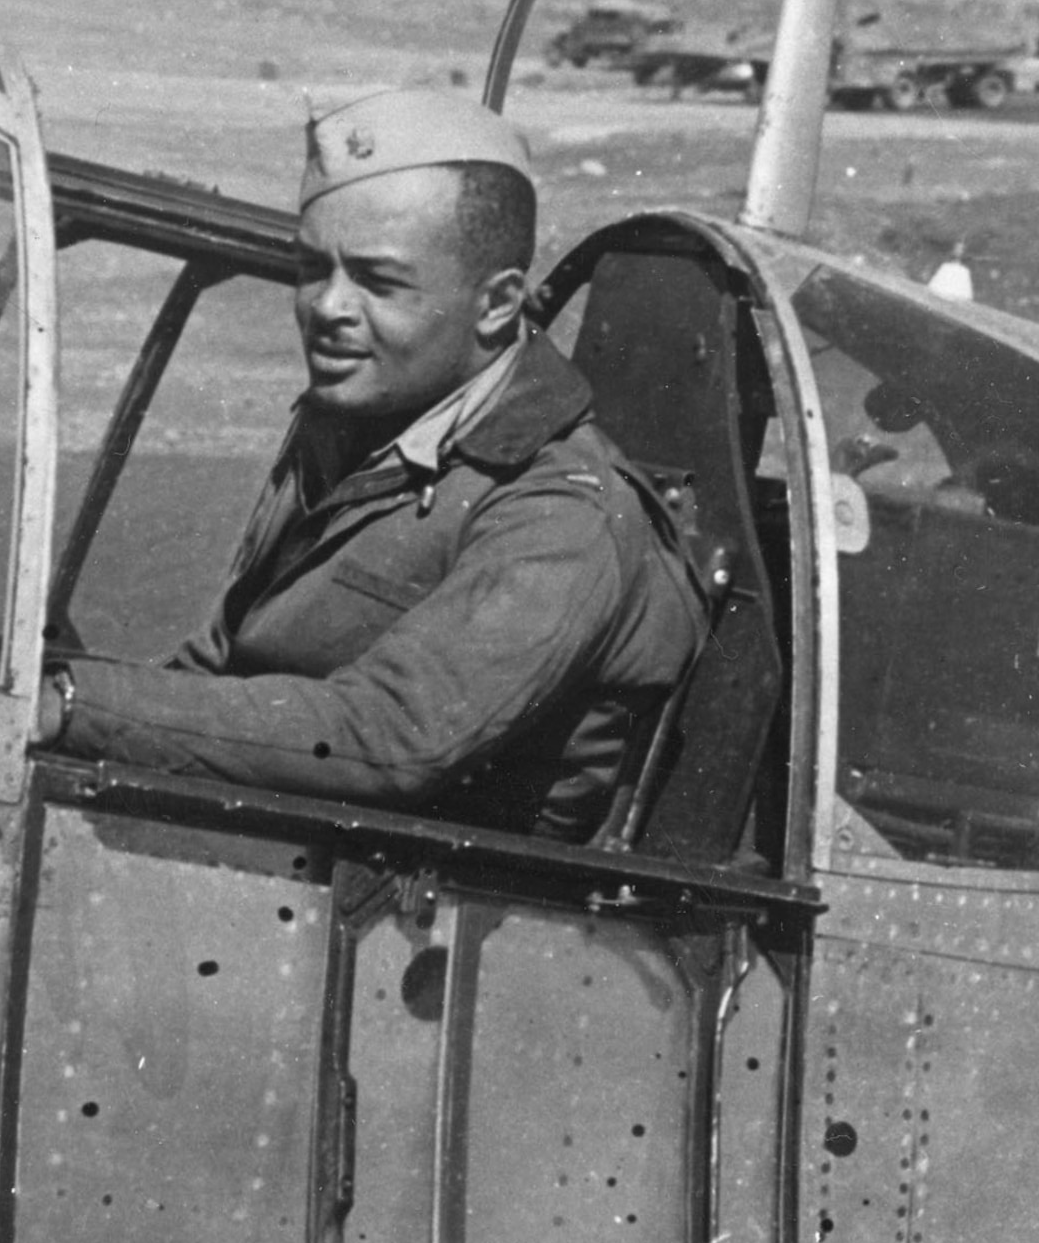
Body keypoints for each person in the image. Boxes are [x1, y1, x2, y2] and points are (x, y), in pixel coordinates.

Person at [35, 85, 706, 842]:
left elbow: (390, 738)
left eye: (378, 282)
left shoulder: (562, 511)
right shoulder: (354, 423)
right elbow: (225, 659)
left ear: (495, 304)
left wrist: (74, 705)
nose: (327, 308)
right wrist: (64, 697)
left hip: (428, 921)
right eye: (312, 268)